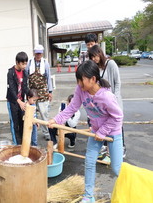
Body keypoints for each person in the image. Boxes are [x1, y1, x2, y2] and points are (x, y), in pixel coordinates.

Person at [48, 60, 123, 203]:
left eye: (81, 80)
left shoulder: (107, 97)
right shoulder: (81, 91)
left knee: (116, 168)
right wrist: (56, 120)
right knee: (89, 162)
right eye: (78, 80)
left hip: (113, 132)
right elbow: (71, 108)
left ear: (93, 79)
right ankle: (89, 196)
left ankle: (129, 190)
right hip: (95, 131)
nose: (79, 84)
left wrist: (103, 132)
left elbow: (118, 117)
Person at [88, 45, 126, 159]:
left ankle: (121, 148)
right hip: (103, 104)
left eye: (95, 56)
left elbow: (118, 82)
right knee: (105, 124)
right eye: (92, 57)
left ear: (100, 53)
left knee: (117, 125)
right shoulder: (96, 68)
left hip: (114, 100)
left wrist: (115, 98)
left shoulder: (111, 64)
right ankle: (106, 149)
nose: (94, 59)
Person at [25, 44, 53, 141]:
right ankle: (32, 133)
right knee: (31, 113)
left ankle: (46, 133)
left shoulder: (45, 63)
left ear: (42, 54)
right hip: (32, 93)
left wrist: (50, 91)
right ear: (34, 53)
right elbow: (26, 78)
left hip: (42, 92)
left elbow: (48, 77)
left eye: (40, 54)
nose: (38, 55)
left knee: (43, 113)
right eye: (37, 53)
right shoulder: (29, 63)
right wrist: (26, 92)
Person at [6, 51, 28, 145]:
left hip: (22, 101)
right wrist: (19, 101)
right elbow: (11, 89)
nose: (24, 66)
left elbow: (25, 88)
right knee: (15, 125)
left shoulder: (25, 73)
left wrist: (30, 98)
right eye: (23, 63)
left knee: (22, 122)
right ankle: (16, 145)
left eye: (26, 63)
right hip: (12, 101)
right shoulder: (11, 73)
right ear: (17, 62)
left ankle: (22, 144)